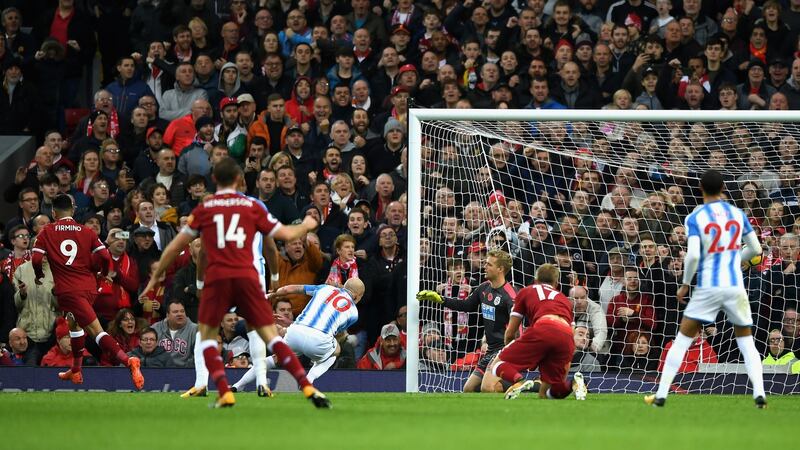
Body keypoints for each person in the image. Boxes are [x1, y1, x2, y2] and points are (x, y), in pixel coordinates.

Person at [141, 157, 329, 408]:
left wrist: (156, 277)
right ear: (240, 179)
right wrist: (306, 224)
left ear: (214, 179)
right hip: (249, 276)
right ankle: (303, 386)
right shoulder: (254, 206)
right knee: (268, 335)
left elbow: (178, 247)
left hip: (218, 278)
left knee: (206, 335)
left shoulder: (206, 208)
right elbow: (282, 236)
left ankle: (220, 388)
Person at [645, 169, 766, 408]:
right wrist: (736, 259)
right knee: (746, 341)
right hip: (734, 285)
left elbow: (692, 256)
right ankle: (759, 394)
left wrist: (685, 284)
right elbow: (756, 249)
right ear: (723, 189)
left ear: (700, 188)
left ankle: (661, 395)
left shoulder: (696, 216)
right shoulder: (738, 214)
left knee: (682, 340)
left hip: (709, 285)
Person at [31, 194, 143, 389]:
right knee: (74, 325)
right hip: (89, 287)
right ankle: (76, 370)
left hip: (69, 290)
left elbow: (36, 259)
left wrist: (39, 275)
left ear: (53, 213)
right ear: (73, 211)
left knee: (96, 332)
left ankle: (128, 361)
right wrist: (102, 272)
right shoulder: (87, 231)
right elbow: (105, 256)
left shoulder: (47, 231)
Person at [480, 263, 588, 401]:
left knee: (497, 365)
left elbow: (511, 331)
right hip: (565, 337)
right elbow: (571, 331)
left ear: (536, 280)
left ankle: (519, 381)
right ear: (556, 283)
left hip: (543, 327)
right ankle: (574, 383)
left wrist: (510, 349)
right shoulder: (564, 299)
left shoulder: (526, 291)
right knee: (546, 393)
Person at [416, 249, 517, 392]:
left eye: (489, 264)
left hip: (503, 350)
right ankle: (515, 387)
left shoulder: (510, 296)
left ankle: (520, 386)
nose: (484, 267)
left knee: (487, 388)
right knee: (469, 388)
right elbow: (466, 305)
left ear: (500, 269)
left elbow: (518, 329)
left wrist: (511, 351)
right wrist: (441, 300)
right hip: (490, 349)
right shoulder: (484, 288)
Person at [264, 279, 364, 381]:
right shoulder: (354, 314)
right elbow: (338, 333)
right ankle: (309, 379)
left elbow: (287, 289)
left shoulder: (324, 288)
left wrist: (272, 295)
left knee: (277, 358)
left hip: (296, 331)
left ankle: (254, 372)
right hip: (319, 340)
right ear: (357, 297)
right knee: (336, 351)